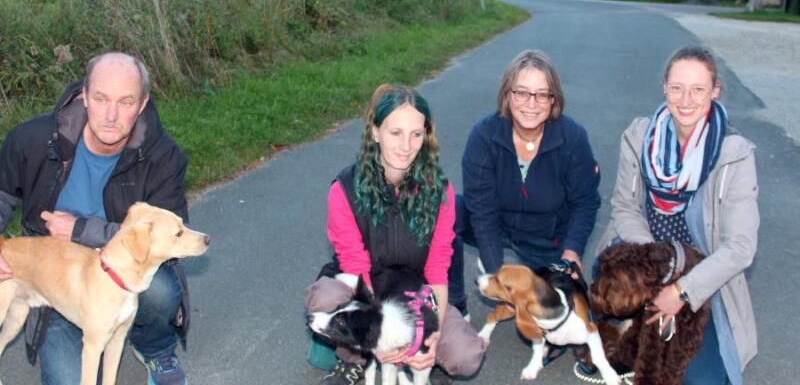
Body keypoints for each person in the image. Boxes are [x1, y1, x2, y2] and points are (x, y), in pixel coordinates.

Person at [0, 52, 192, 385]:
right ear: (84, 96)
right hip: (59, 278)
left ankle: (154, 347)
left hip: (122, 273)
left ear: (143, 103)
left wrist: (80, 230)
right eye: (101, 98)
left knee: (160, 289)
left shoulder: (164, 157)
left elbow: (170, 238)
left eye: (126, 101)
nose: (111, 115)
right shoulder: (32, 140)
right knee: (67, 379)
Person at [595, 46, 758, 385]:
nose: (686, 100)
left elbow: (740, 246)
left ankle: (652, 322)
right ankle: (634, 323)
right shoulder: (640, 137)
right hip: (649, 256)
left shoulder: (734, 154)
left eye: (698, 89)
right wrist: (659, 264)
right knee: (605, 274)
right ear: (664, 87)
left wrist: (681, 289)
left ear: (715, 91)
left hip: (701, 277)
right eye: (677, 88)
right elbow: (625, 207)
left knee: (706, 380)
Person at [304, 85, 486, 385]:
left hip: (413, 293)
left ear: (425, 136)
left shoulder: (441, 192)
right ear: (375, 132)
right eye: (395, 133)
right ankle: (355, 359)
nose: (406, 145)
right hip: (364, 288)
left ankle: (427, 361)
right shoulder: (345, 189)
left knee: (466, 357)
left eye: (416, 134)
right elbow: (355, 265)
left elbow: (438, 270)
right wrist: (380, 342)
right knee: (324, 298)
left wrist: (432, 336)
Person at [448, 49, 601, 317]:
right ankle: (455, 306)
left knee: (558, 316)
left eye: (542, 94)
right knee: (445, 209)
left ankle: (542, 274)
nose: (531, 103)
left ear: (554, 100)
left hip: (546, 239)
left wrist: (572, 251)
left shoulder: (573, 138)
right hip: (495, 225)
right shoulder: (484, 136)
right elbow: (482, 212)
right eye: (521, 92)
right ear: (507, 95)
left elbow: (585, 202)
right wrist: (499, 278)